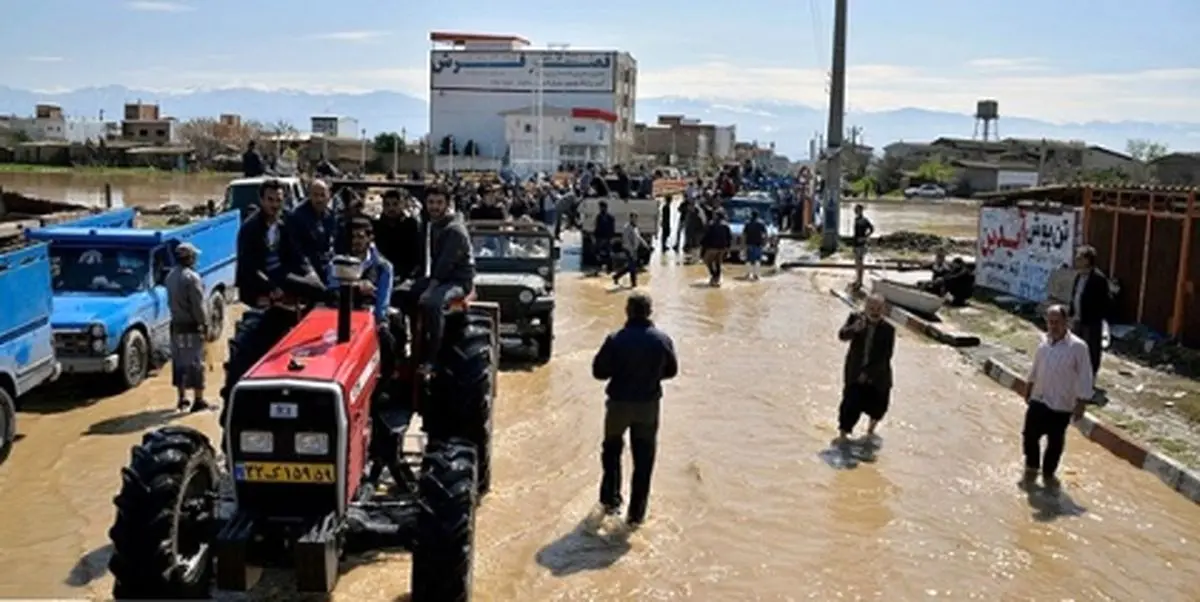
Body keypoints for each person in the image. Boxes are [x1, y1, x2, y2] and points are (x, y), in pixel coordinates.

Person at [592, 292, 678, 527]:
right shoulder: (662, 340)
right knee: (644, 459)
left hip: (618, 404)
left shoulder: (615, 339)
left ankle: (610, 502)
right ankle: (636, 516)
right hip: (648, 407)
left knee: (611, 451)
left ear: (627, 311)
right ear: (650, 312)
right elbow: (671, 371)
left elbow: (599, 372)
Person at [1021, 304, 1094, 493]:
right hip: (1039, 398)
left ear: (1066, 323)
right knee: (1029, 436)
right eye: (1050, 322)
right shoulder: (1044, 342)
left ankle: (1048, 475)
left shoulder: (1078, 347)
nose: (1052, 326)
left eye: (1056, 323)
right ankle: (1031, 469)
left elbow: (1086, 376)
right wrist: (1028, 386)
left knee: (1054, 442)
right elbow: (1036, 366)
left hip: (1061, 404)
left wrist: (1082, 403)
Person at [416, 185, 476, 374]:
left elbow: (444, 265)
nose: (434, 207)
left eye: (439, 203)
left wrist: (429, 290)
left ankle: (434, 357)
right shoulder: (435, 224)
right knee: (402, 292)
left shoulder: (454, 229)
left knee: (433, 303)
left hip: (458, 281)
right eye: (431, 202)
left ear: (447, 204)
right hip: (441, 279)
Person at [235, 179, 307, 307]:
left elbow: (297, 254)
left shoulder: (288, 221)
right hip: (258, 281)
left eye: (278, 200)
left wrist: (309, 273)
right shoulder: (250, 229)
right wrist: (271, 288)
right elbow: (248, 268)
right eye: (270, 200)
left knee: (317, 289)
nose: (275, 205)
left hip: (282, 273)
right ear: (261, 200)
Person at [836, 293, 895, 442]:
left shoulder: (889, 329)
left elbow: (886, 356)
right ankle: (843, 437)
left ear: (884, 310)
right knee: (849, 405)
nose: (874, 311)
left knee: (878, 408)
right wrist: (854, 329)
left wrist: (868, 373)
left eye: (878, 308)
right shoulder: (855, 318)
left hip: (878, 375)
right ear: (865, 307)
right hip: (855, 372)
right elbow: (842, 336)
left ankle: (870, 432)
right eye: (871, 307)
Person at [164, 243, 210, 412]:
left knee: (179, 362)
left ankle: (182, 399)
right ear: (190, 258)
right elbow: (198, 306)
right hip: (191, 327)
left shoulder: (170, 276)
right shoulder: (192, 278)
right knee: (197, 363)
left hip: (176, 326)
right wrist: (204, 325)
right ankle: (199, 400)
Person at [1069, 245, 1110, 379]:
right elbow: (1075, 295)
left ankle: (1089, 378)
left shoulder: (1099, 279)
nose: (1076, 260)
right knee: (1075, 348)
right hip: (1078, 319)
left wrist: (1094, 317)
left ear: (1087, 260)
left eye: (1079, 258)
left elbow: (1104, 302)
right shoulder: (1079, 276)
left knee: (1091, 350)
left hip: (1091, 322)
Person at [288, 179, 337, 284]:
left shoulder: (330, 216)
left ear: (329, 196)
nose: (319, 199)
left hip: (326, 266)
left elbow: (331, 244)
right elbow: (296, 250)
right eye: (315, 195)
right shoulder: (297, 216)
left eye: (322, 195)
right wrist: (309, 271)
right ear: (309, 195)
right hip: (305, 270)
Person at [375, 189, 422, 280]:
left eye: (395, 204)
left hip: (405, 273)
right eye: (387, 205)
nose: (391, 208)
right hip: (381, 271)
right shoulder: (377, 226)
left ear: (402, 205)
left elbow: (415, 254)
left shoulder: (410, 225)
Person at [612, 213, 646, 288]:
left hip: (634, 249)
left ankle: (616, 276)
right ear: (630, 218)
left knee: (630, 266)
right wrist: (631, 251)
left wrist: (644, 243)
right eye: (633, 218)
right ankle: (633, 284)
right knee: (632, 266)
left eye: (636, 218)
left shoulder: (635, 227)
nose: (635, 220)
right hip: (628, 249)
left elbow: (638, 236)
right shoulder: (627, 228)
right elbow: (626, 241)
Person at [700, 210, 732, 286]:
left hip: (712, 247)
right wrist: (728, 248)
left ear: (717, 216)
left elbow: (707, 236)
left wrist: (702, 245)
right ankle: (718, 277)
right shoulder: (726, 225)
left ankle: (713, 275)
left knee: (707, 261)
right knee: (718, 262)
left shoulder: (711, 224)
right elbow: (729, 238)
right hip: (722, 248)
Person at [851, 204, 874, 290]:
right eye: (855, 210)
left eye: (857, 210)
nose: (855, 211)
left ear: (861, 210)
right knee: (857, 263)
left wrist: (865, 238)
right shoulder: (856, 219)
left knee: (860, 264)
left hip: (861, 245)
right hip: (856, 244)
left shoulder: (864, 220)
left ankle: (860, 282)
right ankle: (858, 280)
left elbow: (872, 229)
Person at [742, 209, 768, 281]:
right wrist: (765, 242)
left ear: (751, 215)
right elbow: (765, 234)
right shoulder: (761, 223)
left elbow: (744, 235)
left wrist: (743, 244)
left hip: (749, 243)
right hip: (758, 244)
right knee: (757, 259)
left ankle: (748, 274)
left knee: (749, 259)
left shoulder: (747, 223)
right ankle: (756, 275)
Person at [593, 200, 617, 273]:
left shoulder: (610, 217)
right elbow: (597, 228)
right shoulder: (599, 217)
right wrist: (595, 237)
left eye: (601, 207)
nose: (600, 209)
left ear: (605, 208)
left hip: (607, 238)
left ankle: (609, 269)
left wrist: (610, 238)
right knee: (598, 254)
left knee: (608, 254)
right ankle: (599, 268)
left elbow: (612, 229)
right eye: (600, 207)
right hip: (600, 238)